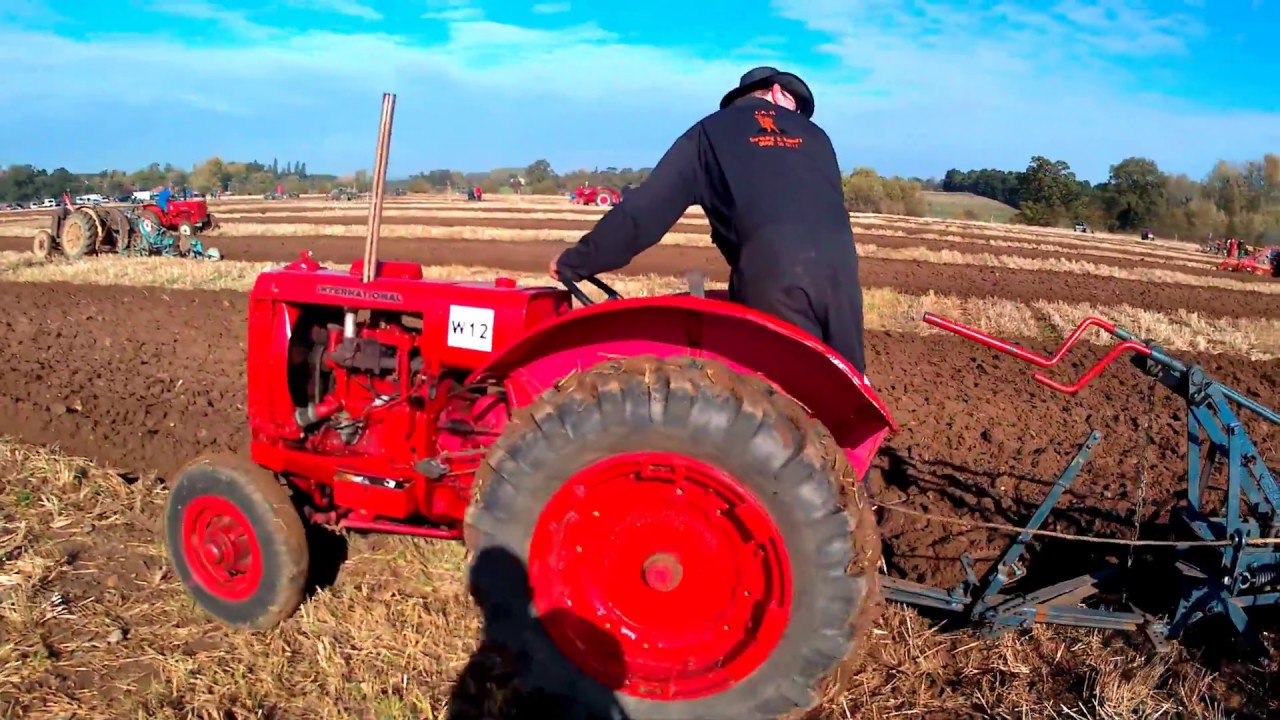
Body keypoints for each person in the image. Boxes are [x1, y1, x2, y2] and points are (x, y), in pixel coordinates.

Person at [548, 66, 867, 375]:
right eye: (795, 105)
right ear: (776, 92)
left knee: (771, 409)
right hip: (843, 282)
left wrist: (577, 261)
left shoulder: (711, 132)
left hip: (773, 277)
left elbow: (644, 212)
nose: (795, 117)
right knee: (841, 397)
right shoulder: (818, 137)